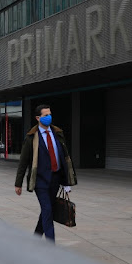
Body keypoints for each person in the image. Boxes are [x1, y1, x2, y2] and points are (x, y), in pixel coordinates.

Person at [14, 104, 77, 243]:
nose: (49, 117)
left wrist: (66, 182)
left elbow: (64, 158)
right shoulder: (31, 137)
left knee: (46, 211)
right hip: (40, 181)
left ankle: (35, 239)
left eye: (50, 114)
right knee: (48, 210)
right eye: (45, 115)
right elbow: (23, 162)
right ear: (38, 118)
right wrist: (18, 184)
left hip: (55, 180)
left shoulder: (57, 133)